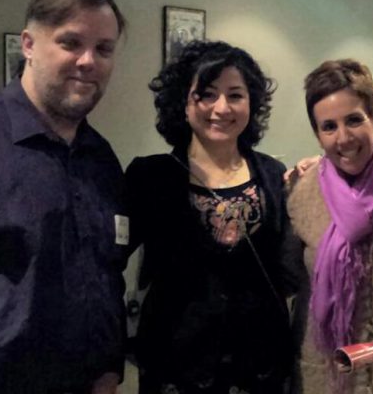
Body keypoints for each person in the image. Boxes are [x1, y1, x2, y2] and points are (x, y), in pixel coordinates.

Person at [0, 0, 127, 393]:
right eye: (71, 43)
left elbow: (107, 277)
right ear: (28, 45)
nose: (88, 61)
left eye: (104, 49)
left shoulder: (101, 158)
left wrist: (108, 370)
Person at [126, 40, 303, 394]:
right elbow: (104, 262)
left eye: (235, 95)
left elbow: (289, 269)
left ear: (252, 103)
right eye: (207, 94)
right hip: (175, 369)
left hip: (261, 368)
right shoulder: (150, 177)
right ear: (184, 102)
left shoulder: (273, 175)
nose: (221, 108)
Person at [287, 59, 373, 394]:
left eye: (353, 120)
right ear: (317, 134)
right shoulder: (300, 194)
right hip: (325, 375)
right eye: (329, 127)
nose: (344, 138)